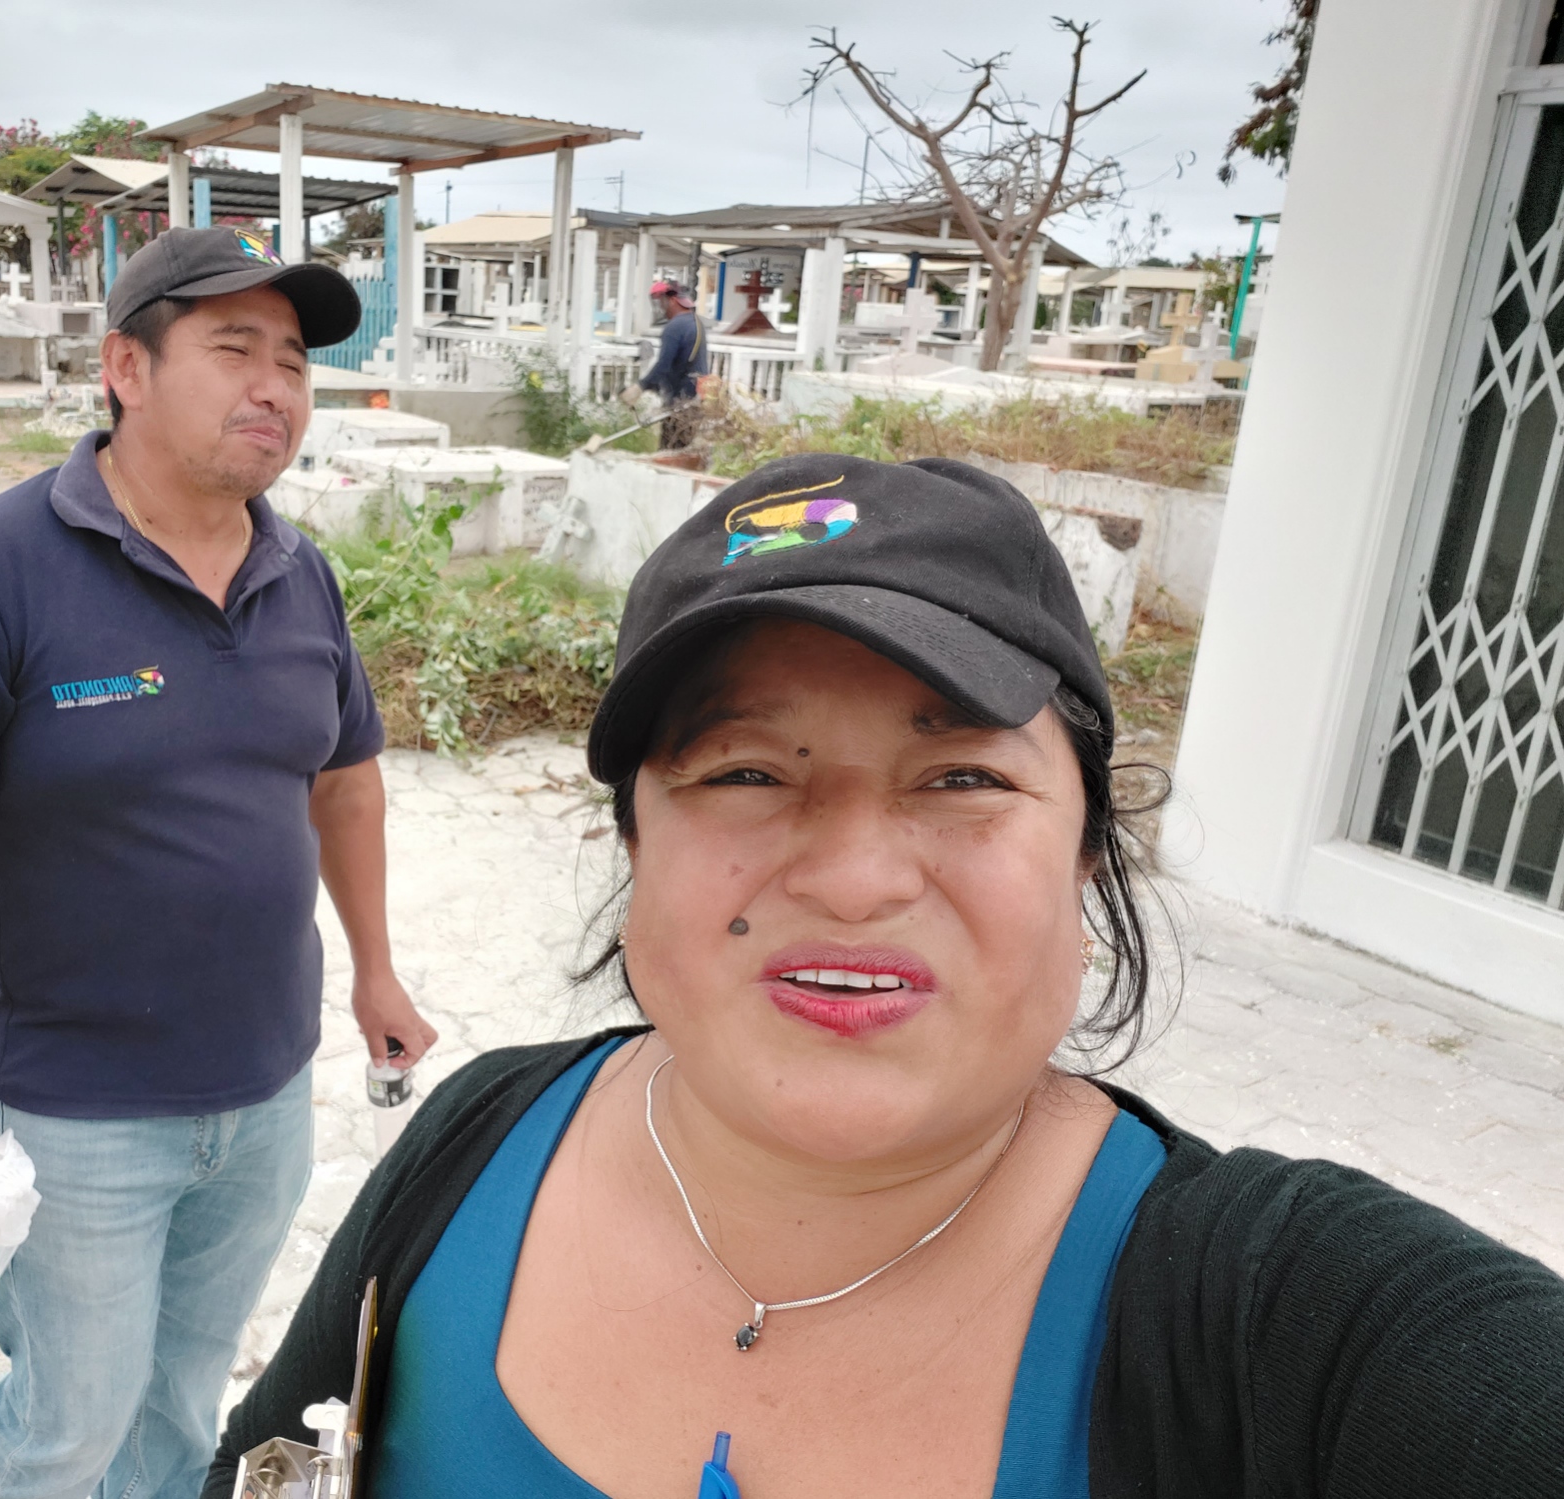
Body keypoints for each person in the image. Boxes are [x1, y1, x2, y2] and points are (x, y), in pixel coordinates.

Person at [203, 454, 1564, 1497]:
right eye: (745, 771)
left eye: (961, 776)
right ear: (633, 843)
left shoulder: (1288, 1321)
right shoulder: (471, 1139)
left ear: (1086, 851)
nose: (854, 879)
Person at [0, 226, 437, 1499]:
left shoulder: (299, 571)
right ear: (126, 367)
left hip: (266, 1094)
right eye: (234, 349)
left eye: (293, 361)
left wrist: (376, 969)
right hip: (81, 1112)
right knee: (65, 1423)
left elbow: (344, 782)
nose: (273, 388)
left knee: (178, 1400)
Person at [634, 279, 709, 450]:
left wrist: (641, 386)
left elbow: (664, 364)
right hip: (695, 399)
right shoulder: (696, 323)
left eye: (661, 302)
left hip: (679, 400)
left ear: (673, 300)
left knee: (670, 450)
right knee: (686, 448)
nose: (660, 307)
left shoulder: (675, 327)